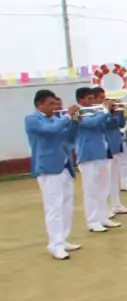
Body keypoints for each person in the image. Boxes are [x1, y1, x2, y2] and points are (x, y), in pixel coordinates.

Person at [25, 90, 82, 260]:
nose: (56, 107)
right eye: (51, 104)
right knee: (53, 208)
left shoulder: (56, 119)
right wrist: (66, 117)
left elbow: (70, 138)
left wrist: (75, 121)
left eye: (57, 104)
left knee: (66, 205)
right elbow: (50, 131)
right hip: (48, 168)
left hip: (64, 166)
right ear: (40, 104)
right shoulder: (32, 119)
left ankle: (62, 239)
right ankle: (54, 245)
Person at [72, 87, 122, 233]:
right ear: (81, 100)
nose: (93, 101)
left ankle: (103, 217)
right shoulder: (78, 113)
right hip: (87, 155)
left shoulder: (96, 112)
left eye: (93, 98)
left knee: (103, 188)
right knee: (91, 190)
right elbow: (91, 124)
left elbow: (111, 125)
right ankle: (92, 221)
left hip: (102, 153)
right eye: (89, 99)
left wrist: (114, 113)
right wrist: (106, 111)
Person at [95, 86, 127, 219]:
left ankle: (117, 204)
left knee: (115, 179)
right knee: (105, 181)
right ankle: (107, 208)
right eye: (101, 98)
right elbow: (107, 124)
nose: (104, 100)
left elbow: (120, 123)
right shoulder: (97, 112)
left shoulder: (108, 111)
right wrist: (109, 112)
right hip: (107, 146)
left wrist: (120, 112)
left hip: (117, 145)